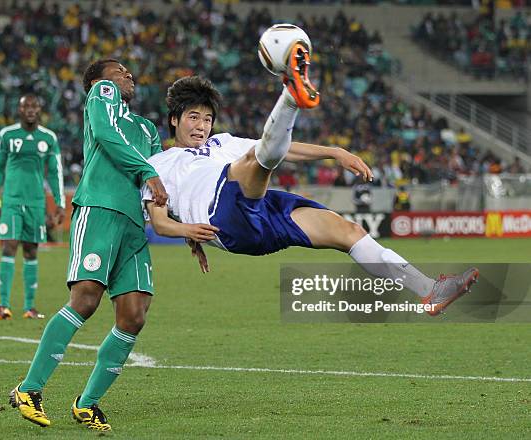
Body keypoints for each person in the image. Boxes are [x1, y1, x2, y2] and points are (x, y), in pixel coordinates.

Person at [143, 45, 478, 318]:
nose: (201, 126)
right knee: (253, 161)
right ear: (174, 120)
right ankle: (291, 93)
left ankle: (430, 290)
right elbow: (159, 222)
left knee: (347, 232)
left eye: (207, 118)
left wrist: (333, 151)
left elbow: (282, 148)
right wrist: (189, 233)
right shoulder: (158, 164)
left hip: (261, 204)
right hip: (223, 218)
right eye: (193, 118)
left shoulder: (223, 142)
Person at [9, 59, 168, 432]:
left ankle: (87, 403)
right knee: (85, 298)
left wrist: (186, 230)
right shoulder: (102, 94)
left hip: (133, 225)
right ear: (96, 81)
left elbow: (163, 178)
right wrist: (147, 170)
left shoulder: (146, 128)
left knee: (134, 315)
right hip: (100, 208)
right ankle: (29, 389)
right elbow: (108, 135)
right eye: (118, 70)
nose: (127, 74)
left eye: (130, 71)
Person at [0, 94, 66, 320]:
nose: (30, 110)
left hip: (35, 203)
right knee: (9, 246)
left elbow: (55, 172)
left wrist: (60, 204)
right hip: (11, 201)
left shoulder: (48, 138)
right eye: (26, 106)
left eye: (35, 106)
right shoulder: (7, 135)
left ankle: (29, 308)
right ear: (19, 110)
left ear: (40, 110)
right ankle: (3, 305)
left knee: (31, 251)